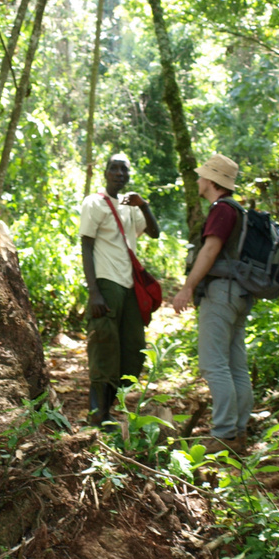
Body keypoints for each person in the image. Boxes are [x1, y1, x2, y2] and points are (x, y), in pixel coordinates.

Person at [172, 154, 253, 455]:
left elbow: (210, 249)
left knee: (214, 364)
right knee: (235, 366)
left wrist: (187, 288)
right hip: (239, 294)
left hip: (221, 294)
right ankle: (238, 432)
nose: (198, 180)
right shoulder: (238, 210)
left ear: (212, 180)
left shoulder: (221, 210)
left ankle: (223, 435)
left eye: (202, 175)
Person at [80, 153, 160, 426]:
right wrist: (94, 292)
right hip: (106, 283)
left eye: (124, 170)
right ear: (105, 172)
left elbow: (155, 232)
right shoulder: (94, 203)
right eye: (114, 168)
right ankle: (97, 416)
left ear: (128, 175)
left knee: (132, 350)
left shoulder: (131, 207)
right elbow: (86, 245)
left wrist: (144, 205)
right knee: (104, 348)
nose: (119, 174)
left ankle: (108, 409)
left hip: (129, 287)